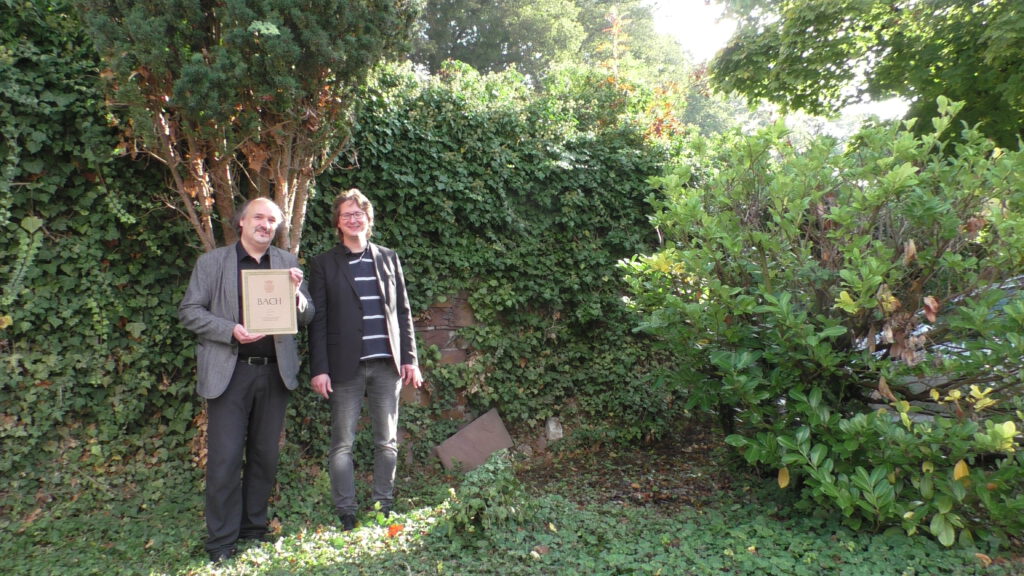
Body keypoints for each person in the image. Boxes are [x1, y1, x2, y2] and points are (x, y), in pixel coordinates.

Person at [179, 197, 314, 563]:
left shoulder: (286, 263)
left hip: (274, 374)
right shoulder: (212, 263)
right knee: (223, 460)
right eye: (259, 217)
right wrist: (230, 330)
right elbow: (189, 311)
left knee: (264, 457)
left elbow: (307, 315)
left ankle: (253, 529)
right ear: (242, 222)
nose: (266, 225)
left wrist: (298, 297)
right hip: (230, 372)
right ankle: (221, 541)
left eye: (273, 220)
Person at [308, 188, 423, 531]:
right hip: (345, 368)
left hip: (387, 366)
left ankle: (383, 503)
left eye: (359, 213)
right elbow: (319, 320)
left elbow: (403, 311)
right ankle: (346, 510)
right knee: (343, 443)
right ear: (338, 223)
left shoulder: (389, 258)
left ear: (369, 219)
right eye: (347, 214)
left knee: (386, 440)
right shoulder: (323, 264)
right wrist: (320, 369)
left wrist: (410, 359)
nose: (353, 219)